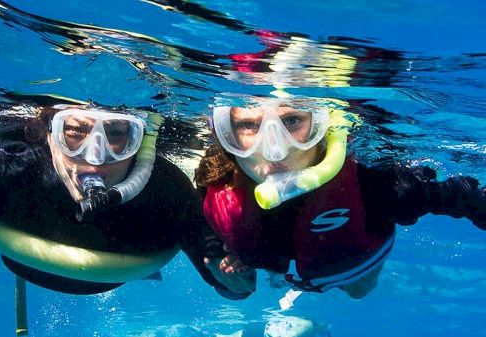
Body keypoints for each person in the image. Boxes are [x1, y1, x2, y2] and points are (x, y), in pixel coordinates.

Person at [0, 103, 244, 333]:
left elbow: (230, 281)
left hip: (120, 266)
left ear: (142, 140)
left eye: (118, 134)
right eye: (75, 132)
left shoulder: (167, 190)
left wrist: (233, 282)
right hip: (23, 256)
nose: (95, 156)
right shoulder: (7, 164)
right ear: (50, 132)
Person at [195, 96, 486, 300]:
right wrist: (221, 252)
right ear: (225, 133)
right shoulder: (218, 177)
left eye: (293, 121)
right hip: (286, 254)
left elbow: (459, 195)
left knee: (359, 292)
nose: (275, 150)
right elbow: (207, 216)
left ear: (322, 126)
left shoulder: (373, 180)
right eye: (248, 125)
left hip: (353, 265)